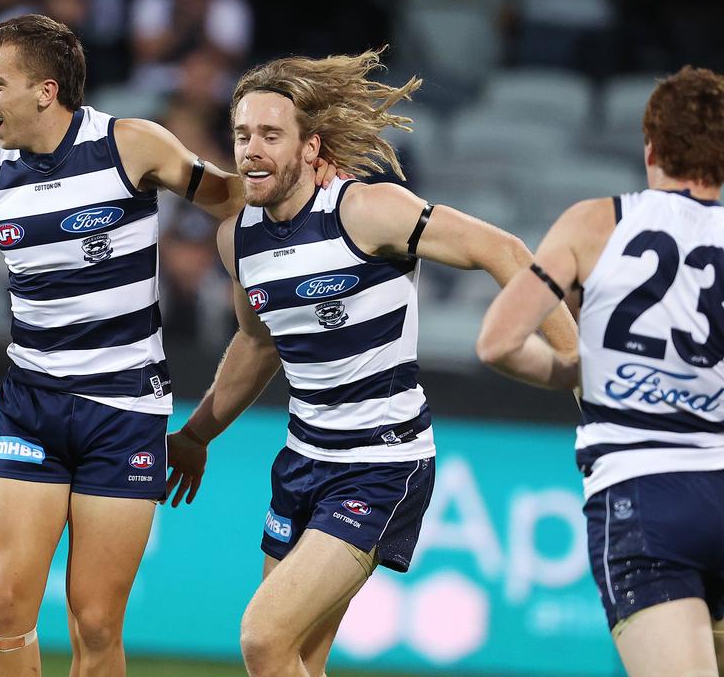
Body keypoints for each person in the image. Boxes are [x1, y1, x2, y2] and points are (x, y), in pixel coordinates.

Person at [0, 13, 337, 676]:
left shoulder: (132, 145)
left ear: (45, 90)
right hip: (29, 405)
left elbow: (231, 200)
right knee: (5, 607)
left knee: (94, 622)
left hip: (123, 414)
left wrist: (290, 194)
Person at [162, 50, 577, 677]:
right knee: (299, 658)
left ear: (309, 147)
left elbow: (507, 251)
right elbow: (257, 344)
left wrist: (576, 367)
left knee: (262, 640)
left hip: (381, 463)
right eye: (243, 133)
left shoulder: (365, 211)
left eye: (271, 135)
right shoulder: (237, 238)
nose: (251, 148)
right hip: (303, 459)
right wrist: (197, 434)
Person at [477, 66, 724, 677]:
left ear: (650, 149)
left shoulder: (596, 222)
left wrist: (575, 371)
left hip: (641, 489)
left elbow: (498, 342)